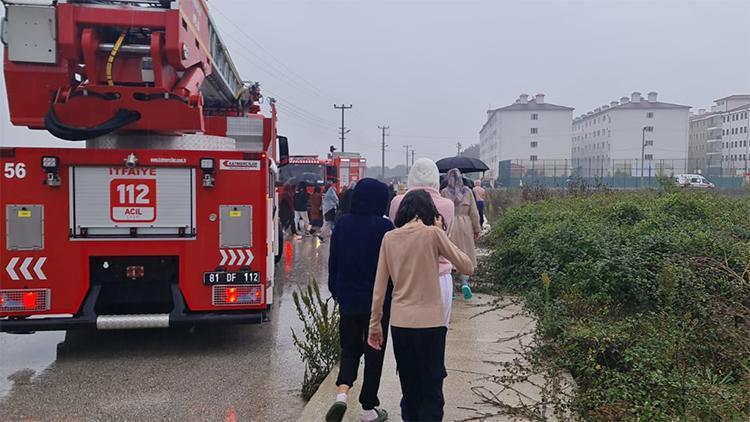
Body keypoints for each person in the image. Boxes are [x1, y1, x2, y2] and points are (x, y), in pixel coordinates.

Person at [368, 190, 473, 421]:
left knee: (410, 386)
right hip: (432, 324)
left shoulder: (389, 238)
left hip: (401, 323)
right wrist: (442, 232)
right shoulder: (433, 235)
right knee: (432, 387)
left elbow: (379, 288)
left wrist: (375, 325)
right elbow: (467, 266)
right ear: (430, 212)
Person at [326, 178, 394, 422]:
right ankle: (367, 409)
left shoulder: (342, 224)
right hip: (378, 305)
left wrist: (336, 291)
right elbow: (393, 270)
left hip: (348, 300)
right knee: (374, 354)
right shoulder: (386, 229)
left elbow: (333, 263)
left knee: (350, 349)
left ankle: (341, 396)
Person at [389, 158, 455, 326]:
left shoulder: (398, 202)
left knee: (406, 336)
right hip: (439, 276)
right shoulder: (447, 205)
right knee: (437, 335)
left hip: (406, 276)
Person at [441, 168, 480, 300]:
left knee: (450, 256)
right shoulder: (468, 192)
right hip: (465, 225)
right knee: (465, 254)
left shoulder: (444, 192)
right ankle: (464, 283)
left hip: (450, 225)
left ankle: (451, 290)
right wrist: (477, 229)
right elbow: (474, 213)